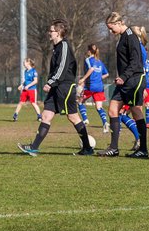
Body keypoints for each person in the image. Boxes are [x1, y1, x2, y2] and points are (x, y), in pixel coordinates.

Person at [17, 20, 94, 157]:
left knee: (73, 117)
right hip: (56, 87)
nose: (49, 33)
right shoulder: (56, 47)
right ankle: (34, 147)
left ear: (58, 33)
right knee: (46, 115)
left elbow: (62, 68)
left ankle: (87, 148)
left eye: (51, 31)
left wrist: (51, 82)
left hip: (64, 87)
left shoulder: (64, 45)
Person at [99, 12, 149, 158]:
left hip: (133, 80)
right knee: (113, 110)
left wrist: (124, 76)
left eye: (111, 28)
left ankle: (143, 149)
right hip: (125, 81)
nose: (110, 31)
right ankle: (113, 148)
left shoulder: (131, 36)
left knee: (136, 112)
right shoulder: (123, 37)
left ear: (119, 23)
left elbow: (135, 62)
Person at [78, 44, 110, 132]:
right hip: (99, 87)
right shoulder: (99, 61)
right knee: (99, 107)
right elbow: (107, 74)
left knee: (80, 102)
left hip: (90, 86)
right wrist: (99, 78)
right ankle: (105, 123)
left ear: (89, 51)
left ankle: (85, 119)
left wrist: (83, 79)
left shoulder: (88, 60)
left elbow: (91, 69)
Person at [12, 58, 42, 122]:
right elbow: (26, 81)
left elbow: (35, 81)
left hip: (32, 90)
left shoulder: (34, 71)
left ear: (28, 63)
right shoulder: (25, 71)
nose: (23, 63)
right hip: (25, 90)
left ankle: (39, 116)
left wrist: (28, 86)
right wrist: (22, 85)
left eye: (24, 62)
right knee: (21, 102)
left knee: (33, 103)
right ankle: (15, 115)